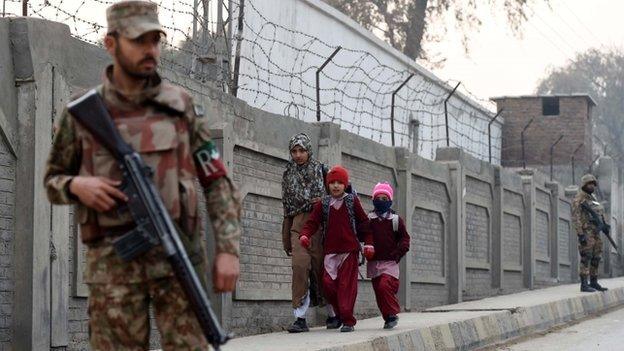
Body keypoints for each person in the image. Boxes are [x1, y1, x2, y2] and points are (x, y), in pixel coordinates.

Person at [43, 1, 242, 349]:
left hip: (178, 261)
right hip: (113, 271)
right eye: (139, 41)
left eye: (155, 40)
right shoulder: (82, 113)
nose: (150, 50)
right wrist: (77, 185)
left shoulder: (181, 108)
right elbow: (52, 182)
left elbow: (216, 181)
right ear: (111, 44)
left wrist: (228, 249)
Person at [299, 166, 373, 332]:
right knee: (328, 284)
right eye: (332, 182)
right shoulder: (323, 204)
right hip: (330, 253)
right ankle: (340, 313)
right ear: (328, 185)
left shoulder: (352, 201)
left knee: (347, 286)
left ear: (345, 184)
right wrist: (305, 235)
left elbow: (364, 223)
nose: (336, 186)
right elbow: (312, 223)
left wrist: (368, 243)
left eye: (340, 182)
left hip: (349, 252)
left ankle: (348, 321)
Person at [281, 133, 339, 332]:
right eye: (294, 151)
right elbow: (287, 209)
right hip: (298, 227)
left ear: (309, 151)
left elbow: (339, 194)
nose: (298, 155)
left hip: (321, 227)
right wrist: (286, 239)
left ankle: (333, 314)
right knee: (299, 267)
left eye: (302, 150)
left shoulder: (322, 170)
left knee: (322, 270)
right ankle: (300, 318)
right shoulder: (288, 174)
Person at [366, 182, 410, 329]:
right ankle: (387, 317)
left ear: (390, 200)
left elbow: (405, 239)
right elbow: (362, 235)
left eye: (385, 198)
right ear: (373, 199)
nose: (381, 201)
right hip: (373, 262)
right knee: (378, 290)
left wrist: (397, 254)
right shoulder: (369, 219)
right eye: (378, 198)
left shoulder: (396, 220)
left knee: (386, 285)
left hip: (390, 262)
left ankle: (392, 313)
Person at [572, 174, 608, 293]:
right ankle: (584, 284)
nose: (592, 186)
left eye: (593, 184)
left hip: (596, 232)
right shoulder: (579, 199)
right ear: (584, 185)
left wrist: (604, 225)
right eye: (589, 184)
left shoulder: (593, 199)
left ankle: (593, 281)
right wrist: (580, 234)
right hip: (586, 232)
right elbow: (576, 218)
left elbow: (599, 213)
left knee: (596, 257)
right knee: (586, 257)